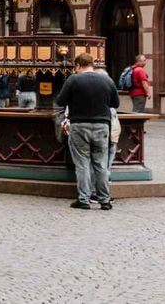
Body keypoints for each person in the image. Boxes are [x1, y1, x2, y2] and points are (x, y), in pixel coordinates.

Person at [55, 51, 120, 210]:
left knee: (82, 164)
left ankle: (83, 199)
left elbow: (60, 101)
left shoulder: (74, 79)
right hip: (102, 126)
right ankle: (104, 200)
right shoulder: (106, 80)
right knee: (101, 164)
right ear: (92, 65)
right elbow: (115, 103)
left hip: (80, 126)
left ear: (78, 65)